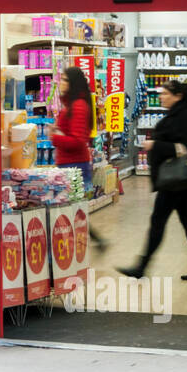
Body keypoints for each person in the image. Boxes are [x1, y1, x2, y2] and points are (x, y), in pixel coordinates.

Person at [119, 79, 187, 281]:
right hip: (178, 180)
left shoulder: (185, 117)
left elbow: (185, 148)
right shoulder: (178, 114)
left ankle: (142, 267)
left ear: (178, 96)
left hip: (176, 180)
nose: (161, 96)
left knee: (158, 221)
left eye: (166, 94)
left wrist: (155, 145)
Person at [50, 66, 106, 249]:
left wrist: (55, 137)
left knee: (73, 208)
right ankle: (90, 240)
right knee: (74, 208)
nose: (61, 83)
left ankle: (76, 244)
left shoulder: (79, 106)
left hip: (75, 165)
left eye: (65, 80)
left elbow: (78, 140)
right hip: (68, 163)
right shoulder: (71, 104)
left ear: (73, 83)